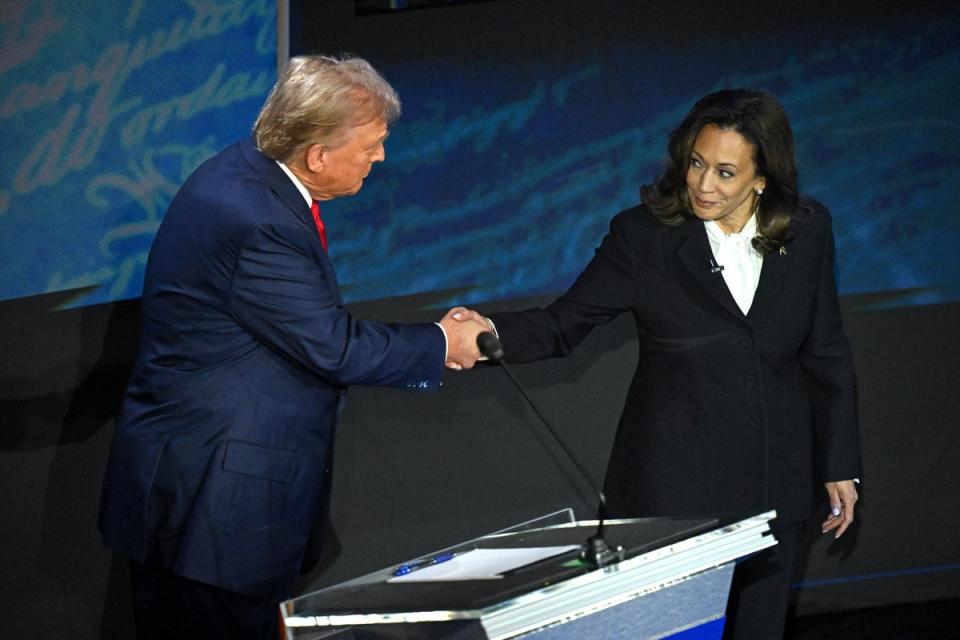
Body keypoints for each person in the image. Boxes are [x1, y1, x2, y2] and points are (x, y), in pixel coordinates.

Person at [98, 55, 489, 640]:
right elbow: (333, 345)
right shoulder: (260, 221)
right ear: (318, 155)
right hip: (214, 512)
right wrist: (443, 343)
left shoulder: (245, 172)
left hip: (198, 494)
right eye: (372, 145)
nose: (380, 158)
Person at [456, 89, 861, 638]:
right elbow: (562, 324)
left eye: (725, 172)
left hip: (776, 482)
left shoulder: (808, 228)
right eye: (696, 163)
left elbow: (826, 350)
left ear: (762, 178)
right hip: (674, 493)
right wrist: (484, 336)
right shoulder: (643, 237)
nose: (703, 184)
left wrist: (840, 462)